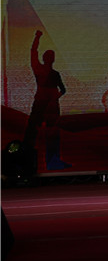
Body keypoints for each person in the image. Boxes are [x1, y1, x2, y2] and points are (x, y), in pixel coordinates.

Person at [25, 30, 69, 170]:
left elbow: (63, 89)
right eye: (49, 56)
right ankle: (27, 159)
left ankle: (52, 161)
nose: (50, 58)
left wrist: (55, 97)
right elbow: (33, 51)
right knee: (33, 131)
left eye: (51, 56)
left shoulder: (54, 73)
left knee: (51, 133)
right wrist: (37, 37)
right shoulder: (39, 69)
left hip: (50, 105)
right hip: (42, 103)